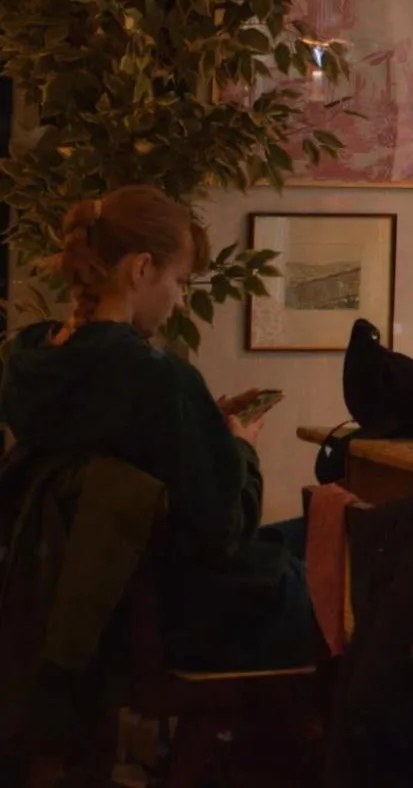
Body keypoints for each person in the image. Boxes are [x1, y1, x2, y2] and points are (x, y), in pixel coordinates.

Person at [0, 185, 313, 672]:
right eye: (181, 281)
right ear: (141, 269)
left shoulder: (31, 361)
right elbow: (224, 532)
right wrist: (241, 447)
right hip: (199, 617)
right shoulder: (156, 378)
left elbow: (120, 436)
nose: (180, 299)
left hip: (115, 607)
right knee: (374, 572)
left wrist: (203, 421)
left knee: (330, 532)